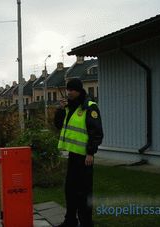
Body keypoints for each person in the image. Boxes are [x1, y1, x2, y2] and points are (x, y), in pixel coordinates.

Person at [54, 78, 103, 227]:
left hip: (85, 158)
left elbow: (96, 133)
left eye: (71, 90)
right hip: (73, 156)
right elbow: (59, 125)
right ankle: (70, 221)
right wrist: (60, 110)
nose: (68, 93)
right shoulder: (70, 107)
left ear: (79, 90)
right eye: (67, 90)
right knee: (70, 190)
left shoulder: (89, 107)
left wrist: (90, 153)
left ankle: (86, 223)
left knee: (84, 193)